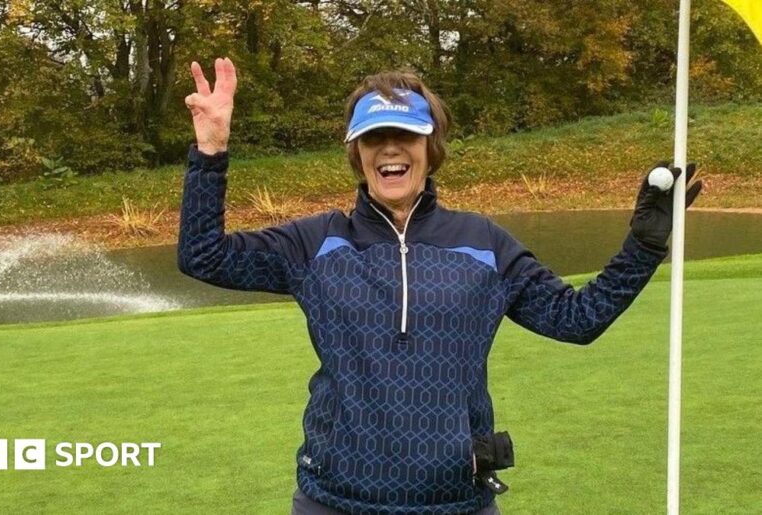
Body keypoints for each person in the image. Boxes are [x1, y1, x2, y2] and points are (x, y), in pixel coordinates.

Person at [177, 57, 702, 515]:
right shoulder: (315, 243)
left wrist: (645, 246)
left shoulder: (483, 243)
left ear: (431, 147)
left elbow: (576, 319)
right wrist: (211, 152)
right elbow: (204, 256)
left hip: (456, 501)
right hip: (332, 501)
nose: (389, 150)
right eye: (373, 139)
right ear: (356, 154)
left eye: (404, 136)